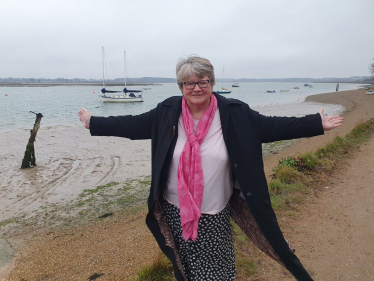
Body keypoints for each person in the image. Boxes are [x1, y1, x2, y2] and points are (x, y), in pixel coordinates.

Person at [78, 55, 344, 281]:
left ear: (212, 83)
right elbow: (134, 125)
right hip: (175, 207)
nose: (196, 88)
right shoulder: (167, 111)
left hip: (214, 209)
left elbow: (272, 126)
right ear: (181, 86)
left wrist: (315, 124)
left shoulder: (234, 113)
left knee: (218, 268)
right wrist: (96, 123)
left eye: (202, 81)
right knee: (183, 264)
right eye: (189, 83)